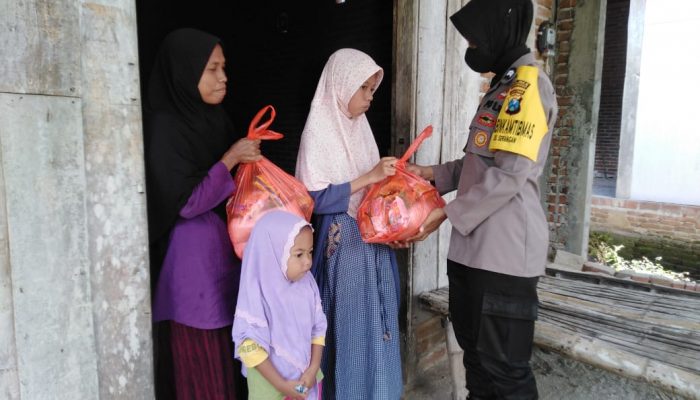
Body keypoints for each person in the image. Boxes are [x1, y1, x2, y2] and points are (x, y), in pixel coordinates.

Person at [406, 1, 558, 399]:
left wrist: (445, 212)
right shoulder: (503, 86)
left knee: (505, 373)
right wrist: (433, 175)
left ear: (500, 27)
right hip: (472, 253)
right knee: (475, 362)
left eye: (475, 35)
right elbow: (480, 164)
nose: (471, 45)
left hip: (503, 256)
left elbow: (510, 173)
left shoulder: (527, 85)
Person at [144, 28, 261, 399]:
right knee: (203, 372)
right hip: (192, 274)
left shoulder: (215, 120)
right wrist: (230, 159)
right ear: (185, 71)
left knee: (229, 366)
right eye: (212, 68)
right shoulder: (166, 128)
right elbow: (188, 202)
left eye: (223, 67)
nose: (223, 77)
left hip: (224, 263)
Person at [295, 48, 403, 399]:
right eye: (364, 89)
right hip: (345, 252)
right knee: (351, 329)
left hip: (373, 246)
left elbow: (375, 194)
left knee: (379, 326)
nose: (370, 98)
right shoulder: (319, 133)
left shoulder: (361, 131)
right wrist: (368, 176)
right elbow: (312, 200)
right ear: (342, 86)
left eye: (373, 90)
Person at [232, 210, 327, 400]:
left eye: (310, 252)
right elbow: (249, 347)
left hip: (307, 383)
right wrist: (282, 385)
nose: (308, 262)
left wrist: (313, 369)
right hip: (272, 390)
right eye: (299, 254)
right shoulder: (257, 293)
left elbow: (318, 328)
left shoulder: (307, 284)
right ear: (272, 254)